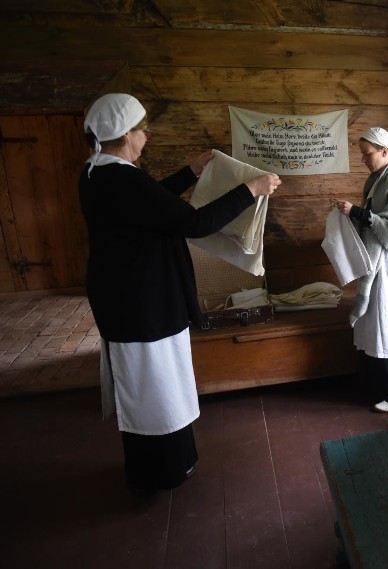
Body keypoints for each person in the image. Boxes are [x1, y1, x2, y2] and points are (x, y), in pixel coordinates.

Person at [79, 93, 280, 492]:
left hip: (127, 297)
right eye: (141, 130)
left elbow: (150, 203)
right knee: (157, 387)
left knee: (147, 386)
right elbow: (195, 222)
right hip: (143, 302)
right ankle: (164, 470)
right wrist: (250, 190)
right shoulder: (122, 178)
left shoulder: (96, 172)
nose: (146, 137)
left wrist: (189, 172)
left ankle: (159, 464)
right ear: (123, 135)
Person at [333, 127, 388, 413]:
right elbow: (376, 215)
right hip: (378, 260)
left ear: (384, 151)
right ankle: (380, 385)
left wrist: (355, 212)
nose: (363, 159)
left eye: (367, 153)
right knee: (377, 324)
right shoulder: (380, 176)